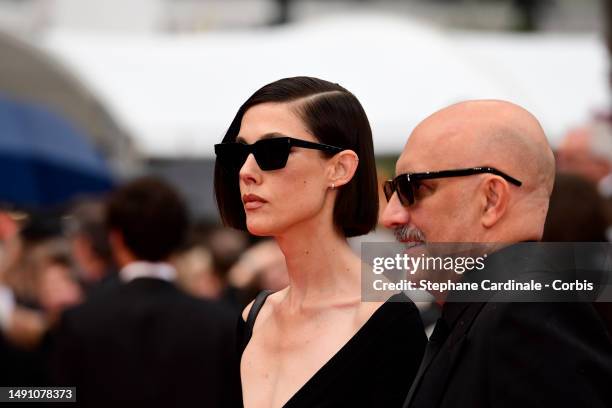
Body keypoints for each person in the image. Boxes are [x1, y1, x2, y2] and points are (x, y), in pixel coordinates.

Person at [380, 100, 612, 407]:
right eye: (390, 191)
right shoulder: (497, 306)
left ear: (491, 199)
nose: (390, 216)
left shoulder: (527, 313)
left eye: (412, 188)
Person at [214, 76, 426, 408]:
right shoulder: (255, 317)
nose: (246, 170)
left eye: (273, 151)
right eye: (238, 153)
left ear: (340, 168)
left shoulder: (388, 323)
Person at [50, 177, 241, 407]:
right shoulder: (222, 324)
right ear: (179, 238)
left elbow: (57, 394)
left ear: (116, 239)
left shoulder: (79, 321)